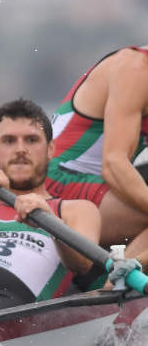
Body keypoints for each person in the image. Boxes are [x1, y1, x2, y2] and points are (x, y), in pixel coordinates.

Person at [0, 99, 101, 309]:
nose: (21, 150)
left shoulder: (76, 209)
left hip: (8, 310)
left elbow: (82, 263)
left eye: (31, 140)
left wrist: (48, 218)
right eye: (9, 141)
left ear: (50, 150)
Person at [44, 45, 148, 262]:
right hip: (56, 179)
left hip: (96, 183)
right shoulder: (136, 69)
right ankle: (115, 286)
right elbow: (113, 165)